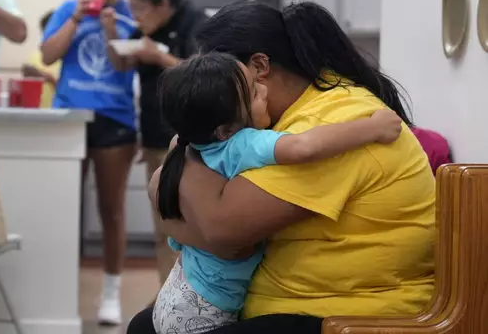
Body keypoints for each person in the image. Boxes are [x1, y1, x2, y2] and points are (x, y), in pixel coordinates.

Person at [128, 1, 435, 334]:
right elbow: (172, 201)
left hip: (348, 313)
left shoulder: (331, 124)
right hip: (291, 300)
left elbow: (223, 232)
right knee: (145, 326)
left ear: (259, 66)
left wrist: (185, 155)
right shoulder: (275, 120)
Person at [153, 52, 404, 334]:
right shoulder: (241, 144)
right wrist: (373, 128)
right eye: (253, 92)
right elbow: (303, 147)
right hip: (206, 308)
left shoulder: (190, 148)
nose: (264, 88)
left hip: (179, 292)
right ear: (225, 130)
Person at [40, 0, 136, 326]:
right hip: (69, 115)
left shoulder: (129, 13)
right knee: (64, 209)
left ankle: (110, 293)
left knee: (111, 211)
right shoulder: (68, 9)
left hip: (115, 119)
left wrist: (111, 26)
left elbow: (123, 63)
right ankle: (59, 288)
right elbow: (48, 55)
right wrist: (77, 18)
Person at [106, 0, 207, 292]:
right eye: (131, 9)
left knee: (196, 222)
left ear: (163, 4)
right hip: (154, 137)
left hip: (196, 141)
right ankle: (167, 294)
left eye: (140, 8)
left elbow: (208, 75)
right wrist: (110, 32)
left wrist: (160, 57)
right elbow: (123, 62)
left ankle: (196, 293)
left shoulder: (195, 22)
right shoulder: (145, 31)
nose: (135, 16)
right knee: (163, 225)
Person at [22, 10, 61, 108]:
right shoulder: (36, 56)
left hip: (61, 115)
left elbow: (70, 93)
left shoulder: (69, 58)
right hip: (39, 114)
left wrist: (48, 78)